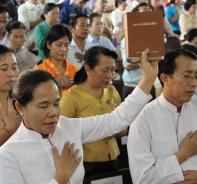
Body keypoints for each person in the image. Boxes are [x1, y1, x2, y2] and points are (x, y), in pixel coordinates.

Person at [0, 47, 158, 183]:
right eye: (43, 106)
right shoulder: (8, 154)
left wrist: (148, 78)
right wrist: (61, 178)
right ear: (20, 107)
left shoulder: (69, 127)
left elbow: (116, 120)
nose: (53, 113)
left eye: (56, 104)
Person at [127, 49, 197, 183]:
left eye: (196, 76)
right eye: (187, 76)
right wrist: (181, 155)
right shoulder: (143, 118)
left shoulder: (195, 113)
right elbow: (141, 178)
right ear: (165, 78)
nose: (193, 83)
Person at [60, 46, 127, 175]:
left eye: (112, 70)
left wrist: (115, 130)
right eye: (105, 70)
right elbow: (63, 133)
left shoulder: (112, 91)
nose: (110, 76)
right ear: (88, 69)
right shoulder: (71, 95)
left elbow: (123, 127)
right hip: (85, 162)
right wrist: (97, 131)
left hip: (113, 158)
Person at [35, 23, 79, 96]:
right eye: (59, 45)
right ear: (48, 45)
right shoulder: (39, 71)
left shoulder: (76, 70)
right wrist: (56, 85)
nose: (63, 49)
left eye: (66, 45)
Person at [0, 45, 22, 146]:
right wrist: (9, 129)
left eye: (14, 67)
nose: (11, 73)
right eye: (4, 68)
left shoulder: (19, 100)